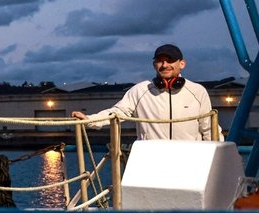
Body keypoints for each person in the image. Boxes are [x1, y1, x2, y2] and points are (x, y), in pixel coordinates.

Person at [70, 43, 213, 141]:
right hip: (151, 161)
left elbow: (209, 129)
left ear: (182, 64)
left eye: (170, 61)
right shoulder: (140, 91)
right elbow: (117, 113)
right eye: (160, 61)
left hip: (190, 160)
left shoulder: (197, 91)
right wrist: (89, 120)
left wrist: (219, 161)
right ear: (154, 65)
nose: (164, 65)